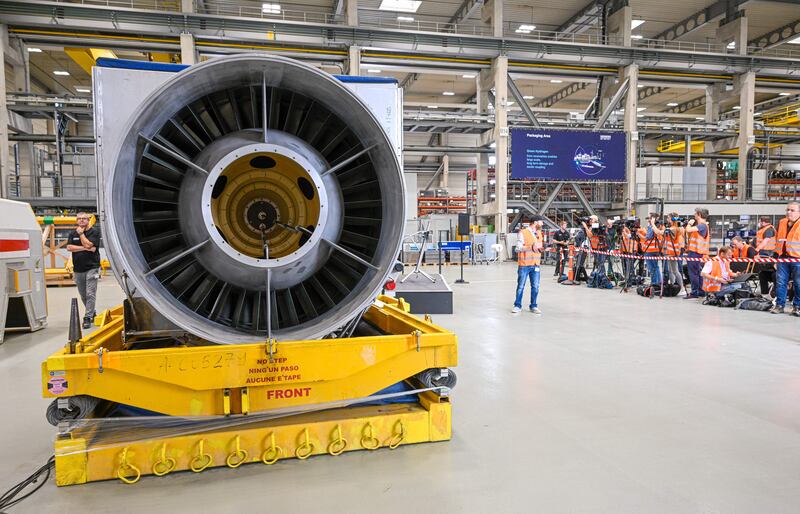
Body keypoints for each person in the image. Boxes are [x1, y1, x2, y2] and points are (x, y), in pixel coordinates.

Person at [67, 212, 102, 329]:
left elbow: (90, 245)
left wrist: (81, 234)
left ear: (88, 220)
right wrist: (85, 248)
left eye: (84, 219)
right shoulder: (72, 233)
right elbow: (69, 247)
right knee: (83, 295)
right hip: (78, 269)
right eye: (79, 219)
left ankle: (87, 317)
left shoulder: (94, 232)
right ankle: (92, 312)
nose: (81, 221)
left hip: (92, 267)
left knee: (90, 293)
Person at [771, 201, 800, 315]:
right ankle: (779, 305)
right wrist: (775, 257)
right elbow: (778, 240)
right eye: (787, 210)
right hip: (783, 258)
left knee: (798, 283)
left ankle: (797, 307)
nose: (789, 212)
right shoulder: (782, 222)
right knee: (780, 282)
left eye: (792, 210)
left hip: (797, 259)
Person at [512, 219, 543, 315]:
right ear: (535, 222)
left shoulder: (539, 233)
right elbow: (517, 248)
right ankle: (517, 305)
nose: (542, 224)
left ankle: (533, 306)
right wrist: (530, 247)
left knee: (535, 286)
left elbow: (538, 247)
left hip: (536, 264)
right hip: (524, 265)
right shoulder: (523, 232)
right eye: (541, 222)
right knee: (521, 286)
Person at [683, 207, 710, 299]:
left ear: (699, 214)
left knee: (693, 273)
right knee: (697, 273)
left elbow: (688, 230)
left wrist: (689, 224)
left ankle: (694, 292)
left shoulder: (702, 225)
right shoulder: (702, 225)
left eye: (695, 214)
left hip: (696, 252)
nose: (694, 215)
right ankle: (701, 291)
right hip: (697, 252)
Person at [660, 214, 685, 287]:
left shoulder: (674, 228)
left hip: (673, 252)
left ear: (672, 219)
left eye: (668, 218)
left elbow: (660, 232)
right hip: (671, 252)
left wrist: (653, 224)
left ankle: (681, 287)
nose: (667, 219)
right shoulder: (674, 228)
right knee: (671, 271)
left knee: (675, 271)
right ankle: (673, 285)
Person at [754, 216, 776, 295]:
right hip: (764, 254)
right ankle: (765, 294)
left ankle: (773, 293)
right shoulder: (764, 230)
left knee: (772, 273)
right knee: (762, 273)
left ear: (763, 222)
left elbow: (766, 240)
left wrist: (756, 250)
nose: (759, 223)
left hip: (769, 254)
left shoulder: (769, 230)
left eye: (760, 222)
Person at [641, 215, 663, 289]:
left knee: (652, 268)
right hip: (655, 249)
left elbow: (648, 236)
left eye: (649, 218)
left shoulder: (652, 227)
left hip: (650, 250)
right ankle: (659, 282)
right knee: (656, 267)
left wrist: (645, 234)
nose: (648, 220)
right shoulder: (659, 226)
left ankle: (654, 283)